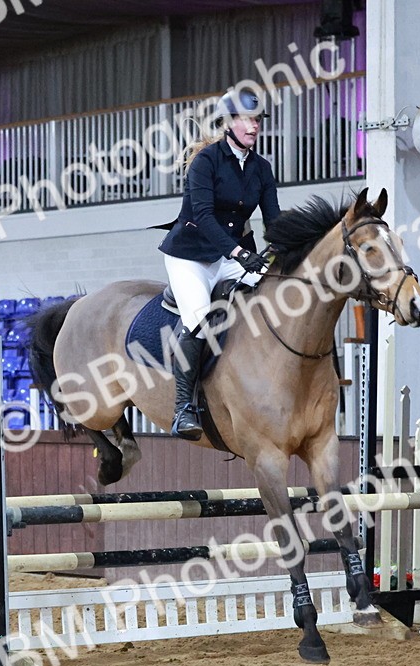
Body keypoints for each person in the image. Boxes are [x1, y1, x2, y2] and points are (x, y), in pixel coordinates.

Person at [158, 87, 281, 440]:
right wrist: (241, 254)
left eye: (257, 120)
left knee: (273, 292)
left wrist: (282, 249)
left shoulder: (262, 168)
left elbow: (273, 219)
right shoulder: (207, 161)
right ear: (228, 123)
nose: (254, 126)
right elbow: (204, 216)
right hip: (191, 256)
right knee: (197, 318)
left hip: (232, 254)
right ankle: (183, 407)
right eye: (246, 119)